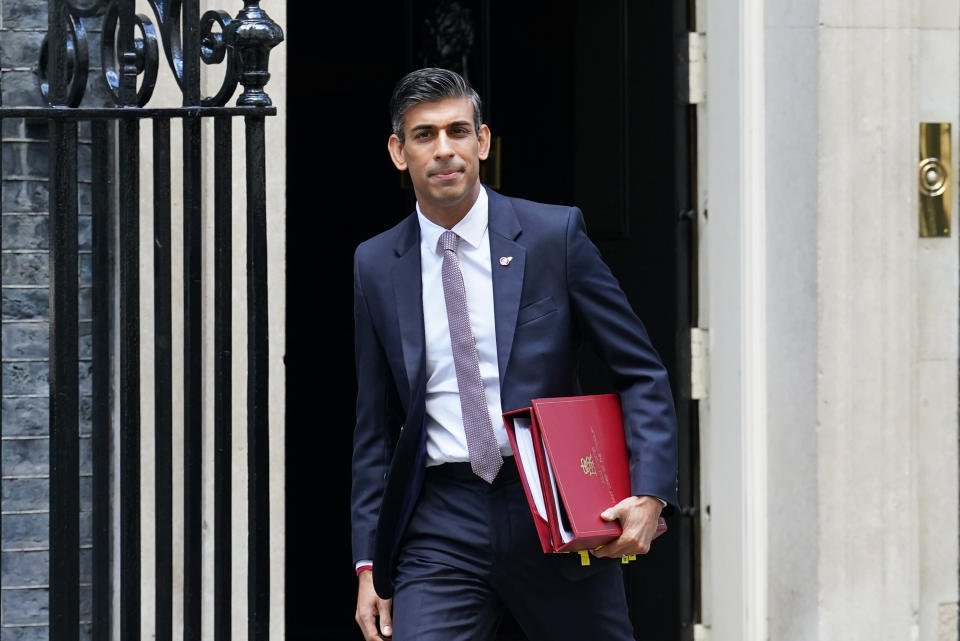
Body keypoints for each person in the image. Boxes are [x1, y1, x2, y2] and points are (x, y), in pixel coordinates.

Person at [351, 67, 678, 641]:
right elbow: (374, 427)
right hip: (438, 521)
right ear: (399, 153)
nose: (444, 149)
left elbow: (640, 370)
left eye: (458, 131)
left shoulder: (555, 235)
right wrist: (368, 563)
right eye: (425, 136)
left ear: (482, 141)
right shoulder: (376, 263)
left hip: (556, 507)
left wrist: (650, 492)